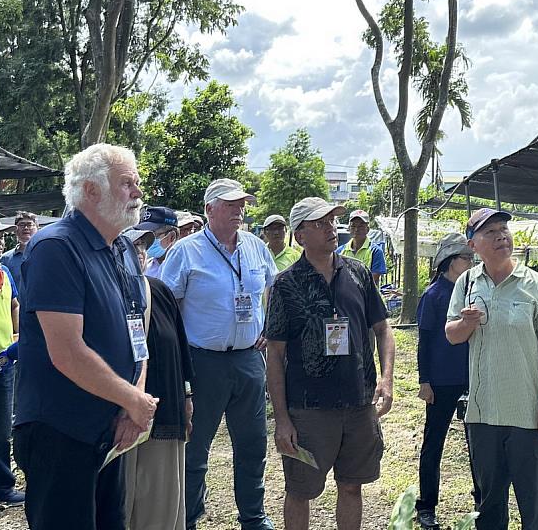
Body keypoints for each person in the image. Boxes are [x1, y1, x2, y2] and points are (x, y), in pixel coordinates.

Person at [13, 144, 158, 530]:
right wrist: (131, 399)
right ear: (91, 191)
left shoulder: (124, 246)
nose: (138, 193)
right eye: (128, 183)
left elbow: (136, 330)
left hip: (111, 427)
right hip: (61, 432)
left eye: (137, 183)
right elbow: (67, 352)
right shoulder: (55, 248)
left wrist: (133, 403)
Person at [264, 197, 395, 530]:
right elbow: (275, 354)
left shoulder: (359, 273)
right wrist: (282, 418)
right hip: (308, 409)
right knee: (300, 490)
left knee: (352, 484)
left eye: (332, 221)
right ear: (300, 235)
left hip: (357, 401)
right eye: (319, 223)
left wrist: (387, 380)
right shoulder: (285, 285)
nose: (331, 229)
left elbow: (382, 329)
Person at [160, 178, 277, 530]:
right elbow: (168, 309)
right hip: (202, 361)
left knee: (253, 444)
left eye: (242, 204)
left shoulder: (256, 247)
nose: (239, 210)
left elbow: (274, 290)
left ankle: (253, 517)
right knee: (195, 448)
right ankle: (188, 518)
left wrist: (270, 325)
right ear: (209, 209)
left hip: (247, 360)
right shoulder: (185, 251)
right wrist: (179, 366)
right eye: (230, 204)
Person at [445, 208, 538, 530]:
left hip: (527, 413)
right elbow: (452, 336)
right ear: (473, 244)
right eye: (490, 232)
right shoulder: (467, 283)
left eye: (504, 230)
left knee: (534, 505)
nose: (501, 236)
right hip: (483, 415)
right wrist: (466, 324)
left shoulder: (537, 285)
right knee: (489, 505)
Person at [122, 228, 195, 530]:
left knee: (162, 503)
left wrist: (187, 397)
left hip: (163, 413)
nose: (139, 251)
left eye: (144, 246)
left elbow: (180, 349)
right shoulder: (106, 291)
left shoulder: (161, 291)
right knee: (121, 501)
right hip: (120, 419)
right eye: (131, 245)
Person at [415, 233, 474, 530]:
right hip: (441, 380)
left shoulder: (472, 291)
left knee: (477, 443)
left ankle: (482, 502)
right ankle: (426, 505)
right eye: (466, 258)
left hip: (471, 378)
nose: (471, 262)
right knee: (434, 442)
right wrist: (424, 380)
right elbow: (423, 341)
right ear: (451, 262)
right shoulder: (433, 295)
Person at [0, 214, 22, 507]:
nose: (0, 241)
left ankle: (0, 486)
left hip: (1, 364)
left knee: (0, 427)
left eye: (1, 236)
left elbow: (14, 303)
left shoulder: (4, 272)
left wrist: (15, 335)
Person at [337, 210, 386, 285]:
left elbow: (373, 279)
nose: (356, 230)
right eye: (353, 226)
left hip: (367, 296)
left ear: (368, 229)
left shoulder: (375, 251)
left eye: (361, 226)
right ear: (349, 229)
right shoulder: (340, 251)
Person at [0, 211, 38, 300]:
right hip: (13, 310)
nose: (25, 228)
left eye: (29, 224)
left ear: (37, 228)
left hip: (40, 311)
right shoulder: (5, 259)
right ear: (15, 231)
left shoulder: (45, 255)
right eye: (21, 225)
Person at [138, 206, 179, 278]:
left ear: (172, 237)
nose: (146, 240)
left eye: (152, 235)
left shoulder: (183, 267)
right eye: (143, 235)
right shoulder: (145, 266)